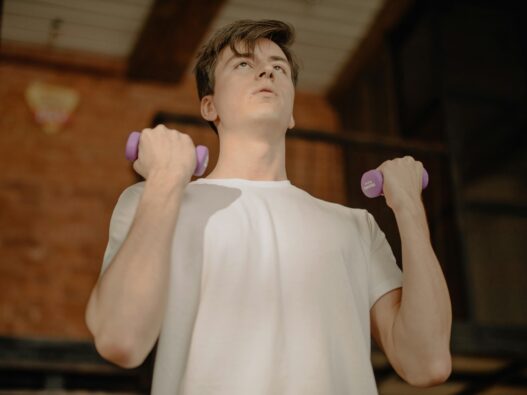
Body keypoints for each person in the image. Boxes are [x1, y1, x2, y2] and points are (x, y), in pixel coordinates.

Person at [85, 19, 452, 395]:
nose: (266, 71)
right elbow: (120, 337)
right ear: (209, 106)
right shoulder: (157, 202)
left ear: (292, 113)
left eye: (279, 67)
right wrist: (163, 180)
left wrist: (408, 208)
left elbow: (427, 363)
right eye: (243, 64)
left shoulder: (355, 227)